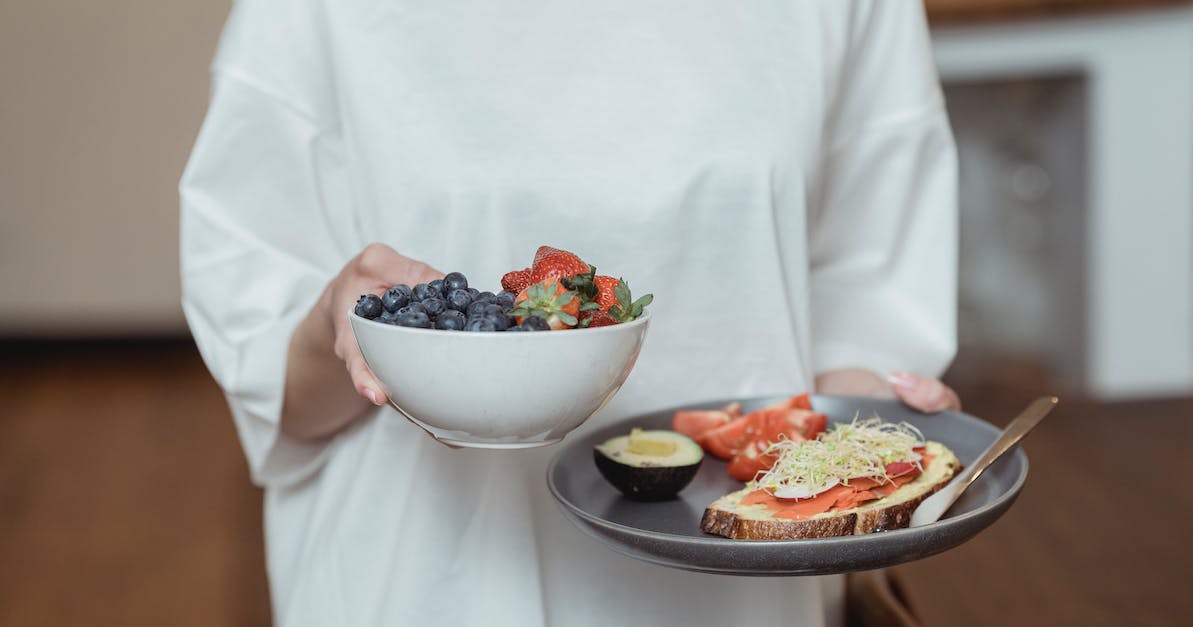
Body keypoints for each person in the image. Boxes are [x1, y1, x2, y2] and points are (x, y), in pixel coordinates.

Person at [180, 0, 961, 625]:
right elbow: (276, 388)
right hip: (433, 586)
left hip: (746, 596)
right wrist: (343, 328)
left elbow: (867, 299)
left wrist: (877, 439)